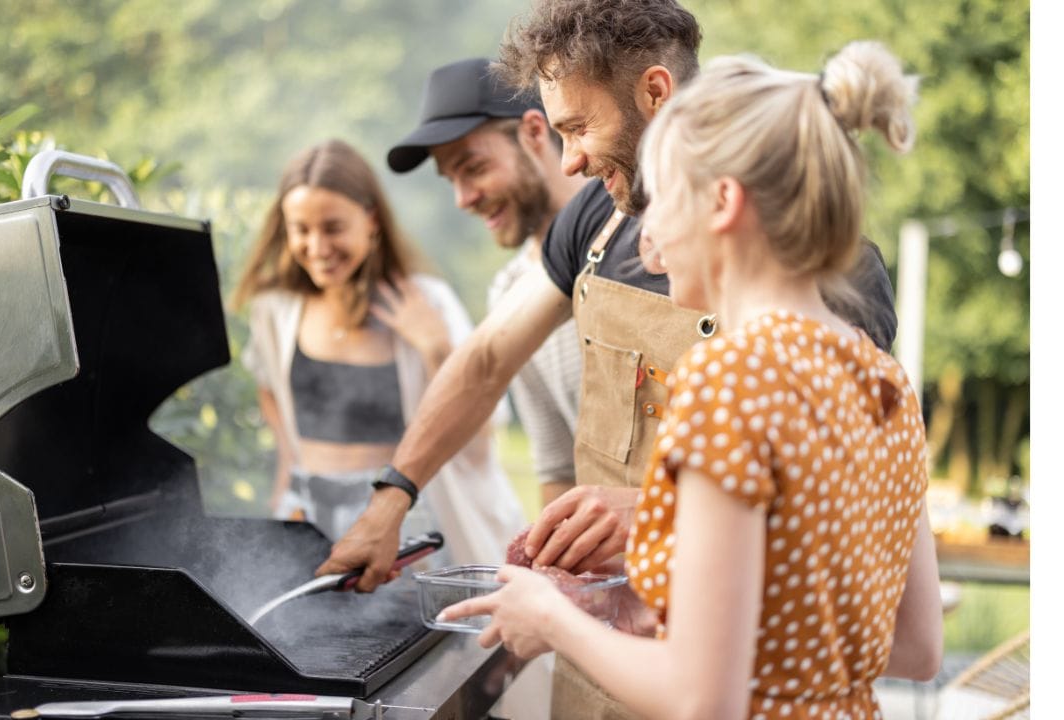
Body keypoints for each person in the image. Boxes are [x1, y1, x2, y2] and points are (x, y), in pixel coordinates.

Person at [316, 1, 897, 715]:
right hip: (605, 654)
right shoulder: (592, 219)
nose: (569, 162)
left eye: (579, 127)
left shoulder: (828, 288)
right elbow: (488, 358)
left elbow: (834, 519)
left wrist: (659, 513)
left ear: (655, 92)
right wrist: (392, 496)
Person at [440, 41, 945, 719]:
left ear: (723, 204)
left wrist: (554, 622)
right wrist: (647, 612)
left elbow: (702, 699)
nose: (647, 242)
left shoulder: (728, 380)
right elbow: (915, 648)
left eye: (662, 202)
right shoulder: (883, 383)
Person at [231, 139, 524, 566]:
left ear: (370, 219)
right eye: (301, 229)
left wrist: (436, 345)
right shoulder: (276, 310)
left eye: (332, 228)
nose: (317, 247)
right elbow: (269, 388)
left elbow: (483, 428)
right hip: (305, 515)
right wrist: (285, 471)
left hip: (400, 518)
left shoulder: (428, 301)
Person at [387, 57, 588, 510]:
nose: (463, 199)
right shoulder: (508, 292)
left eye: (473, 168)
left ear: (535, 133)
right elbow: (558, 469)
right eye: (451, 180)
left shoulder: (634, 240)